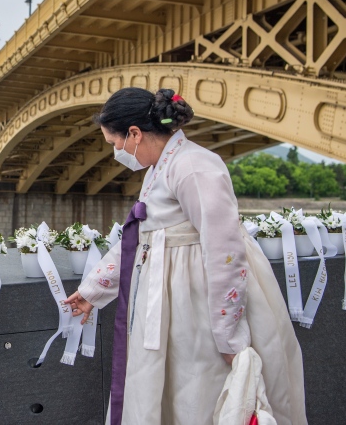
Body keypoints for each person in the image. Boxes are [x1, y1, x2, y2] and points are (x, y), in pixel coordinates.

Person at [65, 87, 306, 425]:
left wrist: (228, 334)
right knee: (182, 393)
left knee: (201, 392)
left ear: (134, 133)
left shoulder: (194, 167)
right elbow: (143, 238)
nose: (117, 151)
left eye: (114, 142)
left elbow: (225, 251)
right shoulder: (160, 168)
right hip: (175, 305)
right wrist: (94, 291)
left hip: (198, 308)